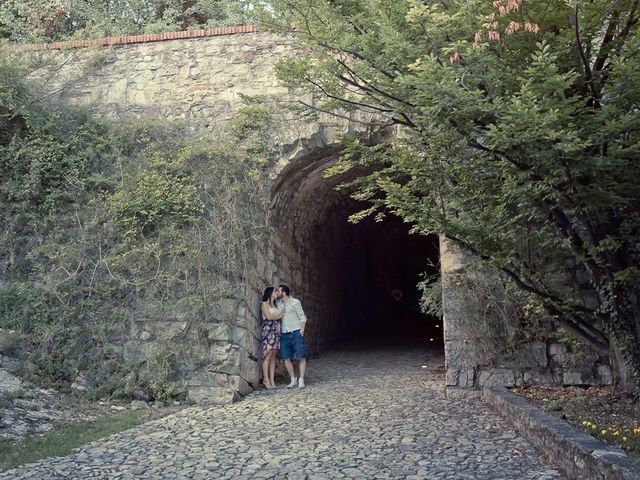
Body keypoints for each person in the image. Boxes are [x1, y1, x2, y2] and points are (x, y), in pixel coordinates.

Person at [276, 284, 308, 389]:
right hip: (284, 333)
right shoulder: (278, 303)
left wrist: (301, 331)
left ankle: (301, 380)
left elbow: (302, 317)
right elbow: (267, 301)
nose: (277, 293)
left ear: (284, 292)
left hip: (295, 332)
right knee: (286, 357)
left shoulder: (295, 302)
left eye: (279, 291)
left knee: (301, 356)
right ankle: (293, 379)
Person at [260, 286, 285, 389]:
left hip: (276, 331)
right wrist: (280, 316)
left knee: (274, 356)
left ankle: (272, 380)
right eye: (275, 291)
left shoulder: (275, 305)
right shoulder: (264, 304)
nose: (276, 292)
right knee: (268, 355)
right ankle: (266, 380)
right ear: (270, 293)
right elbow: (269, 317)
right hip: (268, 330)